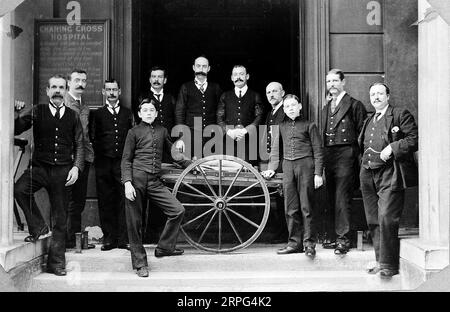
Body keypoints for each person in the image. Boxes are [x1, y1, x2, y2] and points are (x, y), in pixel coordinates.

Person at [14, 75, 84, 276]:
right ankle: (38, 227)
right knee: (19, 189)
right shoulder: (38, 111)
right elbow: (17, 127)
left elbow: (79, 143)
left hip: (63, 171)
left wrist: (76, 168)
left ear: (66, 90)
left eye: (61, 87)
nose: (57, 91)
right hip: (39, 168)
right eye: (53, 87)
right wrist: (16, 113)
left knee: (61, 218)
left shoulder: (73, 115)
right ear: (47, 91)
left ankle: (56, 263)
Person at [121, 99, 191, 278]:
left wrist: (192, 165)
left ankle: (164, 248)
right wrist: (127, 182)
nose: (149, 113)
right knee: (135, 222)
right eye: (145, 110)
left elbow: (174, 154)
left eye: (152, 110)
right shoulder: (133, 132)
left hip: (154, 181)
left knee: (177, 210)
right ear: (140, 113)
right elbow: (126, 160)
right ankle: (140, 264)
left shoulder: (162, 131)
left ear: (156, 113)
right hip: (136, 180)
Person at [359, 82, 418, 278]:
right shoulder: (369, 120)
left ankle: (390, 266)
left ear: (388, 96)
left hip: (390, 174)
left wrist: (393, 147)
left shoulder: (400, 115)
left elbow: (414, 139)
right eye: (373, 94)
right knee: (374, 220)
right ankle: (380, 261)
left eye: (380, 94)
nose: (376, 97)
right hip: (368, 174)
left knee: (386, 218)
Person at [262, 94, 323, 259]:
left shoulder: (310, 125)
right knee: (290, 207)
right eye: (287, 106)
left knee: (306, 207)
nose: (290, 108)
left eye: (293, 105)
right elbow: (276, 151)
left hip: (306, 166)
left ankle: (309, 244)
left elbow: (318, 151)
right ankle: (294, 244)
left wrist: (318, 173)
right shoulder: (281, 126)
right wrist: (272, 169)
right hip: (288, 167)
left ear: (300, 107)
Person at [321, 69, 367, 254]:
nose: (331, 84)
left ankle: (343, 240)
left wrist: (355, 156)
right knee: (331, 195)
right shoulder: (326, 108)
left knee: (342, 197)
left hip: (346, 154)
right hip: (329, 156)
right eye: (328, 81)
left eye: (334, 81)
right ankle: (334, 236)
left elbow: (362, 135)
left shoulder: (355, 105)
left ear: (343, 82)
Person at [89, 79, 134, 251]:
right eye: (108, 90)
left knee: (123, 199)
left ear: (120, 91)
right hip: (103, 163)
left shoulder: (127, 113)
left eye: (114, 89)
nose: (112, 93)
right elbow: (92, 136)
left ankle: (123, 239)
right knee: (105, 200)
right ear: (103, 92)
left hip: (122, 163)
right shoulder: (97, 114)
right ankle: (109, 239)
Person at [64, 69, 95, 249]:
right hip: (69, 159)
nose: (80, 84)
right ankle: (68, 240)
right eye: (76, 80)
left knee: (79, 201)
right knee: (69, 201)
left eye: (83, 80)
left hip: (85, 158)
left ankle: (74, 239)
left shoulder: (84, 106)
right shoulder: (65, 104)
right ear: (69, 82)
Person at [175, 55, 222, 158]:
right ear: (193, 68)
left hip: (211, 135)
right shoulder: (186, 87)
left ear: (209, 69)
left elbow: (220, 111)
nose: (201, 69)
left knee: (210, 165)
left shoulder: (215, 88)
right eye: (198, 66)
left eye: (204, 66)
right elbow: (179, 112)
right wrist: (181, 137)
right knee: (192, 167)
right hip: (190, 135)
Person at [217, 64, 264, 164]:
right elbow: (219, 118)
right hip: (229, 142)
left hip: (249, 143)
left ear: (247, 76)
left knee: (248, 172)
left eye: (241, 74)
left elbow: (259, 116)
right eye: (235, 74)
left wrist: (244, 131)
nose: (238, 77)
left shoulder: (255, 95)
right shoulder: (225, 96)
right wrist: (230, 132)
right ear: (231, 78)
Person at [260, 82, 288, 243]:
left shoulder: (285, 111)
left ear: (282, 93)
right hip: (274, 159)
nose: (271, 95)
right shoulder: (272, 112)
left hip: (284, 160)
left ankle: (286, 233)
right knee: (278, 198)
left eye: (275, 91)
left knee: (285, 198)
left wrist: (277, 165)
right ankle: (281, 232)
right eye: (268, 92)